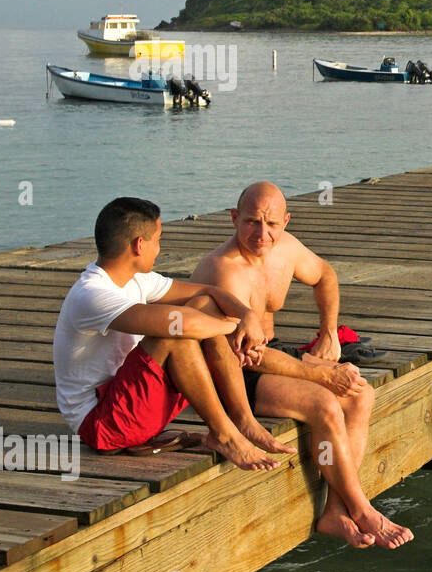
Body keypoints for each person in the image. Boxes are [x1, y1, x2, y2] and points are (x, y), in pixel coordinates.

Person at [191, 182, 413, 549]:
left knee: (361, 395)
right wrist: (320, 372)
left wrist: (329, 333)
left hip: (270, 351)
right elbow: (248, 354)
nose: (262, 234)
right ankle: (362, 508)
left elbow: (325, 275)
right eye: (251, 222)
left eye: (272, 224)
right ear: (233, 218)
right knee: (324, 403)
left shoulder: (286, 249)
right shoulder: (224, 269)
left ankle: (335, 509)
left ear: (286, 221)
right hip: (230, 366)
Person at [52, 197, 293, 470]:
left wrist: (248, 315)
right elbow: (180, 326)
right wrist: (237, 328)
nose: (159, 248)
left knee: (203, 307)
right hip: (101, 425)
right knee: (173, 335)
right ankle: (225, 435)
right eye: (157, 240)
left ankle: (244, 421)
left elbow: (208, 292)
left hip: (129, 402)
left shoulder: (136, 279)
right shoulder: (92, 295)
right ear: (138, 245)